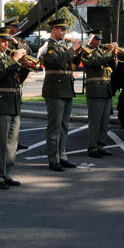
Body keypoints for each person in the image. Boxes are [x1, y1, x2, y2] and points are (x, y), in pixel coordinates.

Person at [0, 26, 30, 189]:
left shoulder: (7, 57)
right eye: (3, 41)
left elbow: (18, 79)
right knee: (0, 143)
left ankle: (7, 173)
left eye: (8, 40)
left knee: (12, 143)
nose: (6, 43)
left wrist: (24, 66)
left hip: (13, 102)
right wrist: (15, 59)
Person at [40, 17, 81, 172]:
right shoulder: (48, 46)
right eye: (62, 29)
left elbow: (71, 65)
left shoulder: (63, 46)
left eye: (65, 29)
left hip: (66, 89)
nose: (64, 32)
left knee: (64, 126)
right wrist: (72, 50)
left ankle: (62, 156)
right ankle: (53, 159)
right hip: (54, 90)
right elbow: (56, 62)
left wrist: (77, 54)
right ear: (54, 29)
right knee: (54, 126)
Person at [80, 31, 117, 158]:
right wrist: (109, 52)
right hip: (95, 89)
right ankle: (92, 147)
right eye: (97, 39)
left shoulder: (102, 51)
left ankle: (101, 146)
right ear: (91, 39)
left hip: (106, 88)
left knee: (104, 121)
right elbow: (96, 62)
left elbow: (113, 66)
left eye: (101, 38)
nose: (100, 41)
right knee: (95, 121)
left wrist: (114, 55)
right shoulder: (86, 51)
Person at [6, 16, 30, 150]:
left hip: (18, 79)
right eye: (15, 27)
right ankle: (6, 140)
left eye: (18, 26)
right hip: (7, 78)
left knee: (16, 112)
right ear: (9, 28)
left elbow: (29, 51)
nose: (18, 28)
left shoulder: (19, 41)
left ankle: (15, 140)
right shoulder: (3, 41)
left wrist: (16, 43)